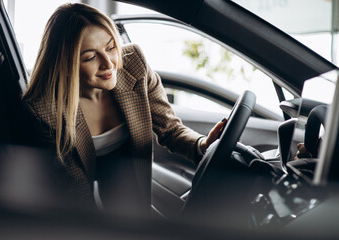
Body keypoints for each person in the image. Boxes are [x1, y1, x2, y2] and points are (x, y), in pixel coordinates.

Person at [22, 3, 226, 216]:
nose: (108, 63)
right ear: (65, 64)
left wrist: (203, 144)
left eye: (110, 48)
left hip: (128, 171)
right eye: (90, 57)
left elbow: (170, 129)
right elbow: (75, 191)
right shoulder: (45, 109)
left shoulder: (134, 63)